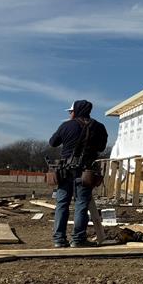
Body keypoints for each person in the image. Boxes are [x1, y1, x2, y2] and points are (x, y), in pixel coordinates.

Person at [49, 100, 108, 248]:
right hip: (86, 171)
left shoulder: (66, 125)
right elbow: (101, 147)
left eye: (71, 111)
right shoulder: (99, 127)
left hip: (65, 170)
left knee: (62, 204)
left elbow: (53, 142)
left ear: (75, 111)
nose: (70, 114)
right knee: (81, 205)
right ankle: (78, 239)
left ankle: (59, 239)